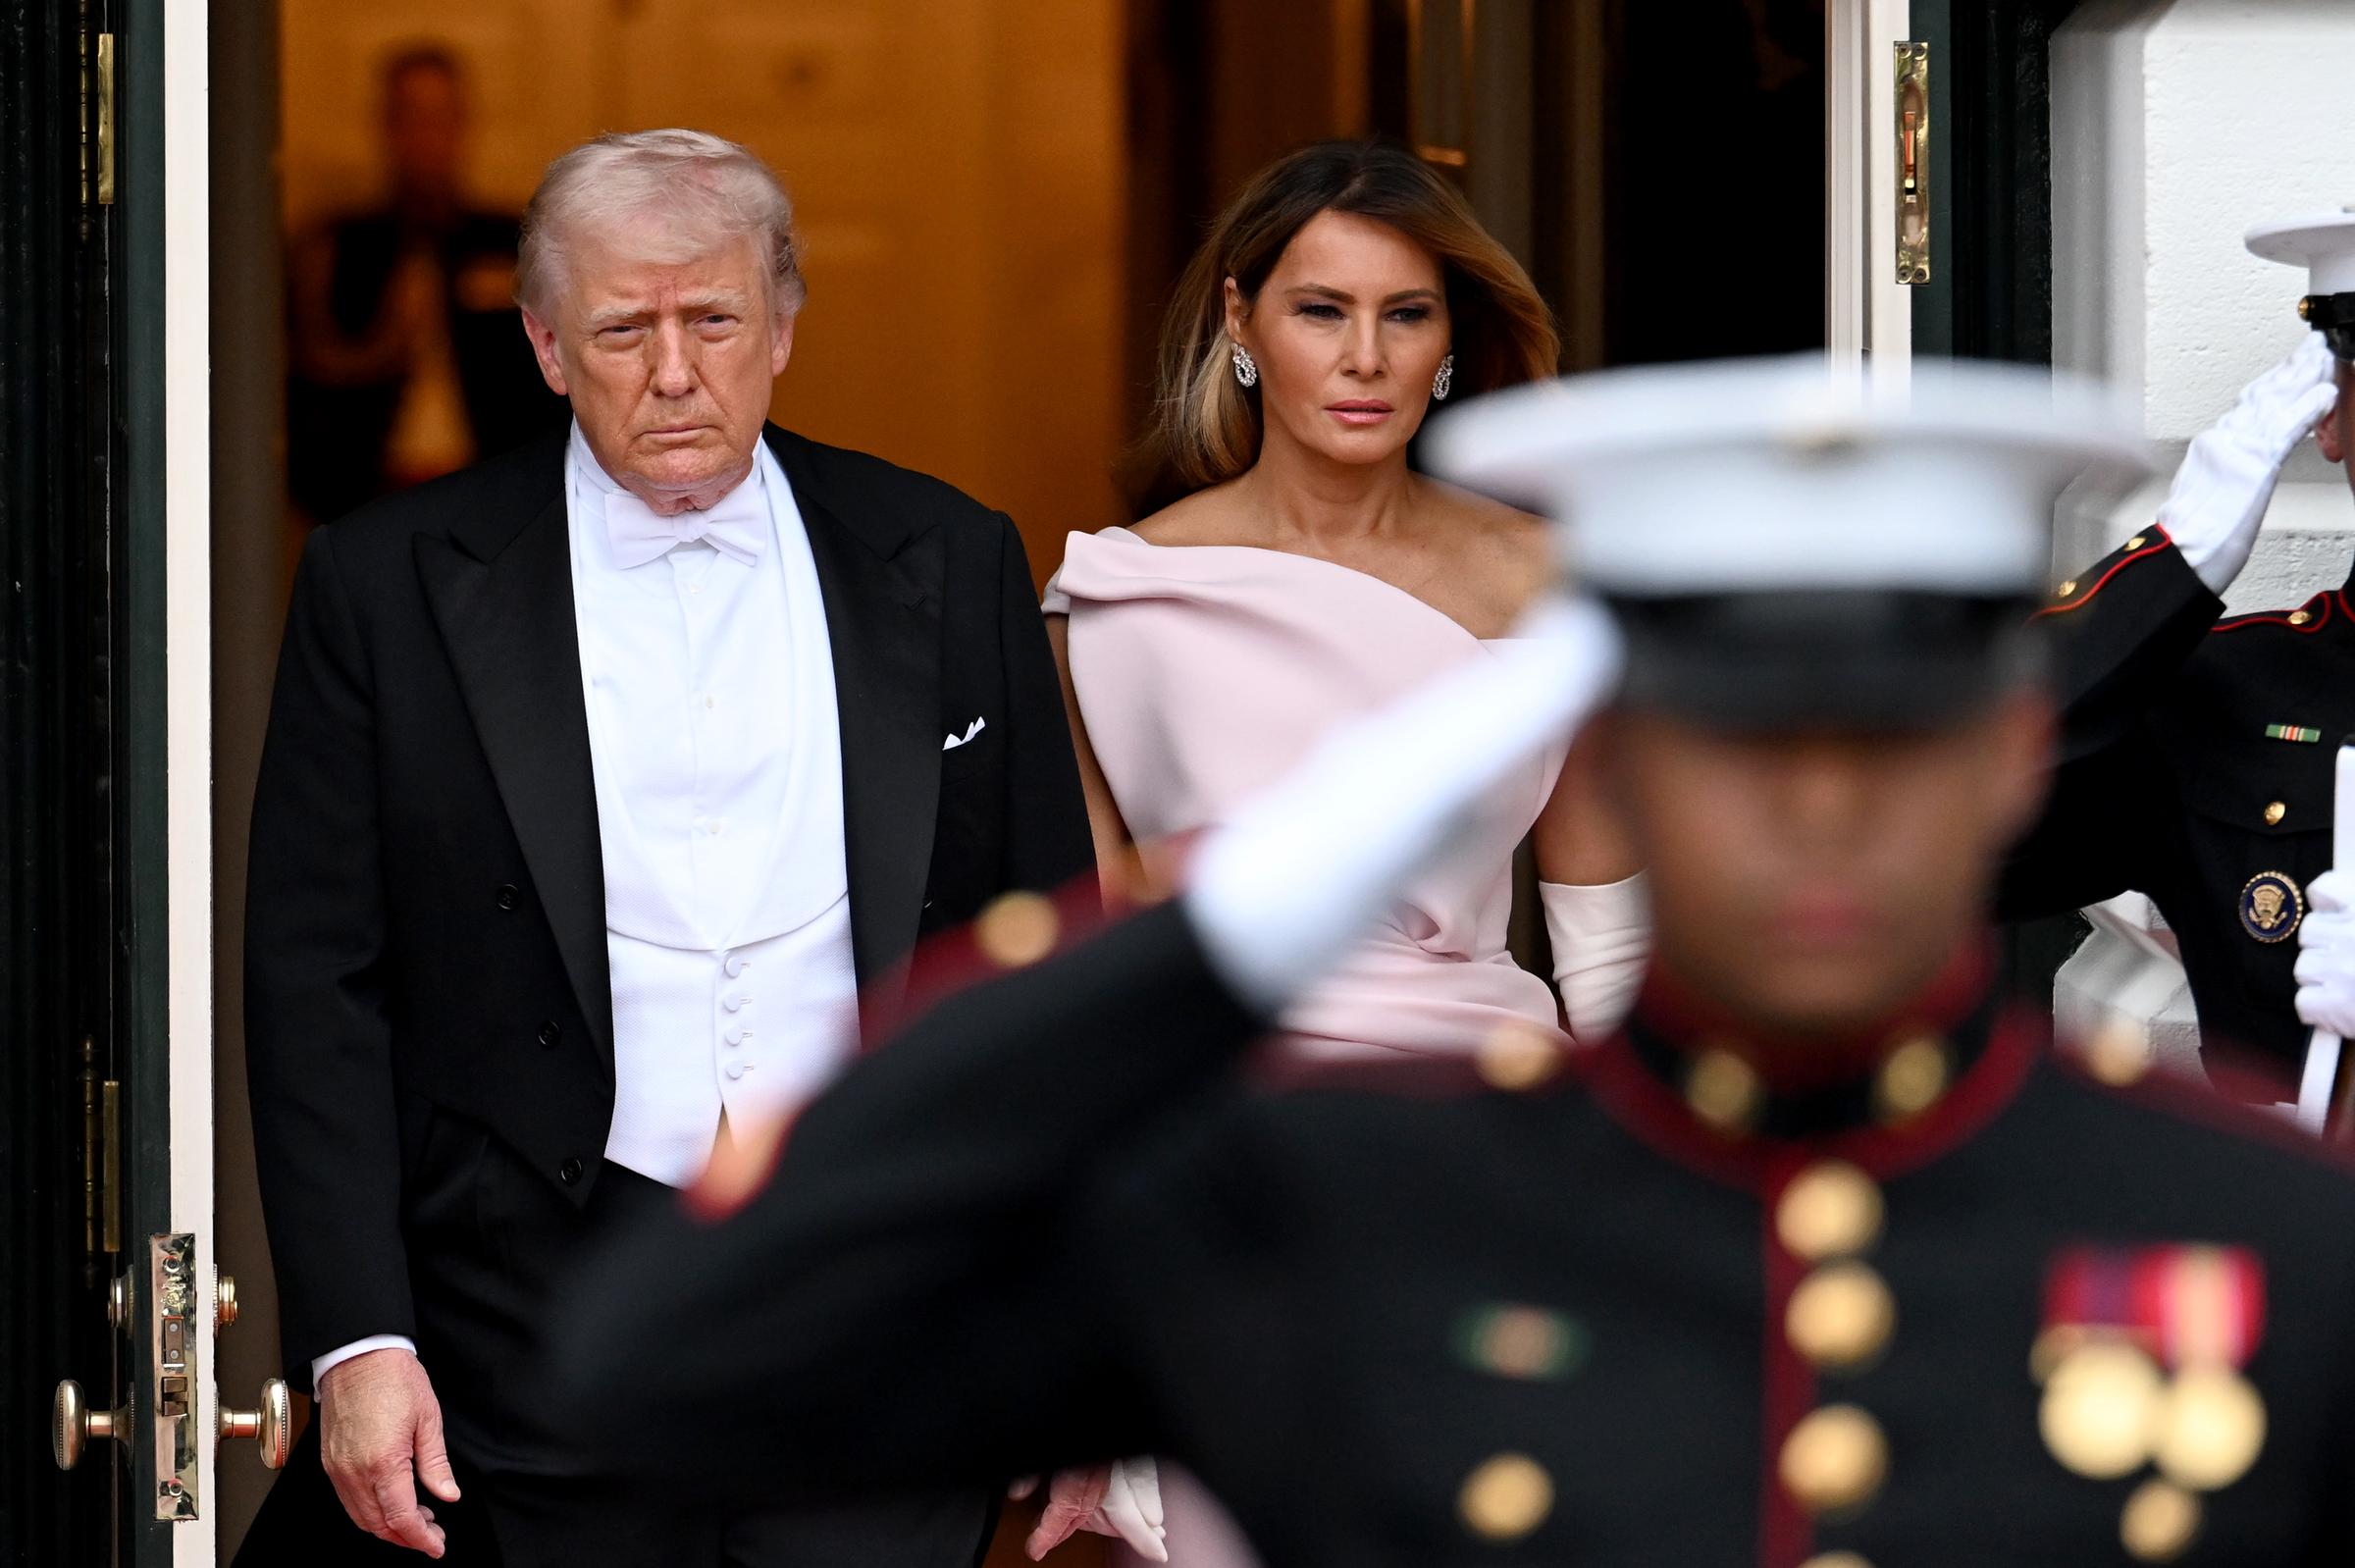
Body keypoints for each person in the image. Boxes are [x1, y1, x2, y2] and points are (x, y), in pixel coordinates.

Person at [547, 356, 2355, 1565]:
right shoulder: (1367, 1200)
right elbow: (687, 1352)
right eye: (1737, 741)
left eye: (1886, 742)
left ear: (2007, 760)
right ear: (1619, 755)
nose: (1818, 812)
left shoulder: (2255, 1232)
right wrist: (1253, 907)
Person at [237, 129, 1094, 1566]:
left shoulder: (947, 555)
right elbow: (317, 976)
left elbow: (1055, 973)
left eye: (714, 320)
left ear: (786, 328)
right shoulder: (385, 584)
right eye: (625, 330)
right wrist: (359, 1337)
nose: (676, 371)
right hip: (523, 1342)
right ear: (546, 345)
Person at [1049, 140, 1648, 1067]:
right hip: (1215, 1114)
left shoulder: (1548, 580)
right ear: (1240, 320)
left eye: (1405, 315)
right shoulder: (1115, 593)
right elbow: (1086, 944)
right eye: (1322, 313)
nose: (1365, 358)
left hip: (1476, 1102)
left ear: (1448, 338)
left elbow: (1605, 934)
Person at [1999, 209, 2351, 1095]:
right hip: (2297, 1225)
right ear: (2331, 416)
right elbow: (1937, 828)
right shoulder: (2233, 692)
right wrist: (2178, 560)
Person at [286, 44, 565, 522]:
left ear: (462, 125)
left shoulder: (514, 243)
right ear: (388, 126)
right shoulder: (338, 248)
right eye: (411, 116)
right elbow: (306, 395)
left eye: (441, 117)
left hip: (494, 500)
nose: (426, 136)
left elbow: (550, 389)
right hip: (367, 501)